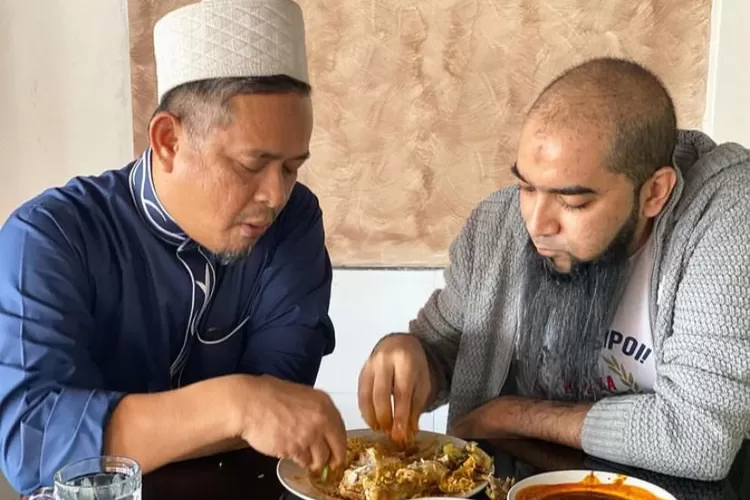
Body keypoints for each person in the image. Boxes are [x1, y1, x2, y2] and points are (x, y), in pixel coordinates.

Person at [0, 0, 347, 494]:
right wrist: (235, 404)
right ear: (167, 140)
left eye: (292, 167)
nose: (275, 195)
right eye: (252, 165)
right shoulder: (49, 237)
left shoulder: (293, 223)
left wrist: (249, 408)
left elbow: (281, 407)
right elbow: (33, 446)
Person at [358, 57, 750, 481]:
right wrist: (407, 351)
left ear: (654, 192)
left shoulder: (724, 216)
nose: (536, 224)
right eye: (526, 186)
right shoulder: (498, 223)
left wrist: (510, 415)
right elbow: (444, 352)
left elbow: (698, 439)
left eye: (574, 202)